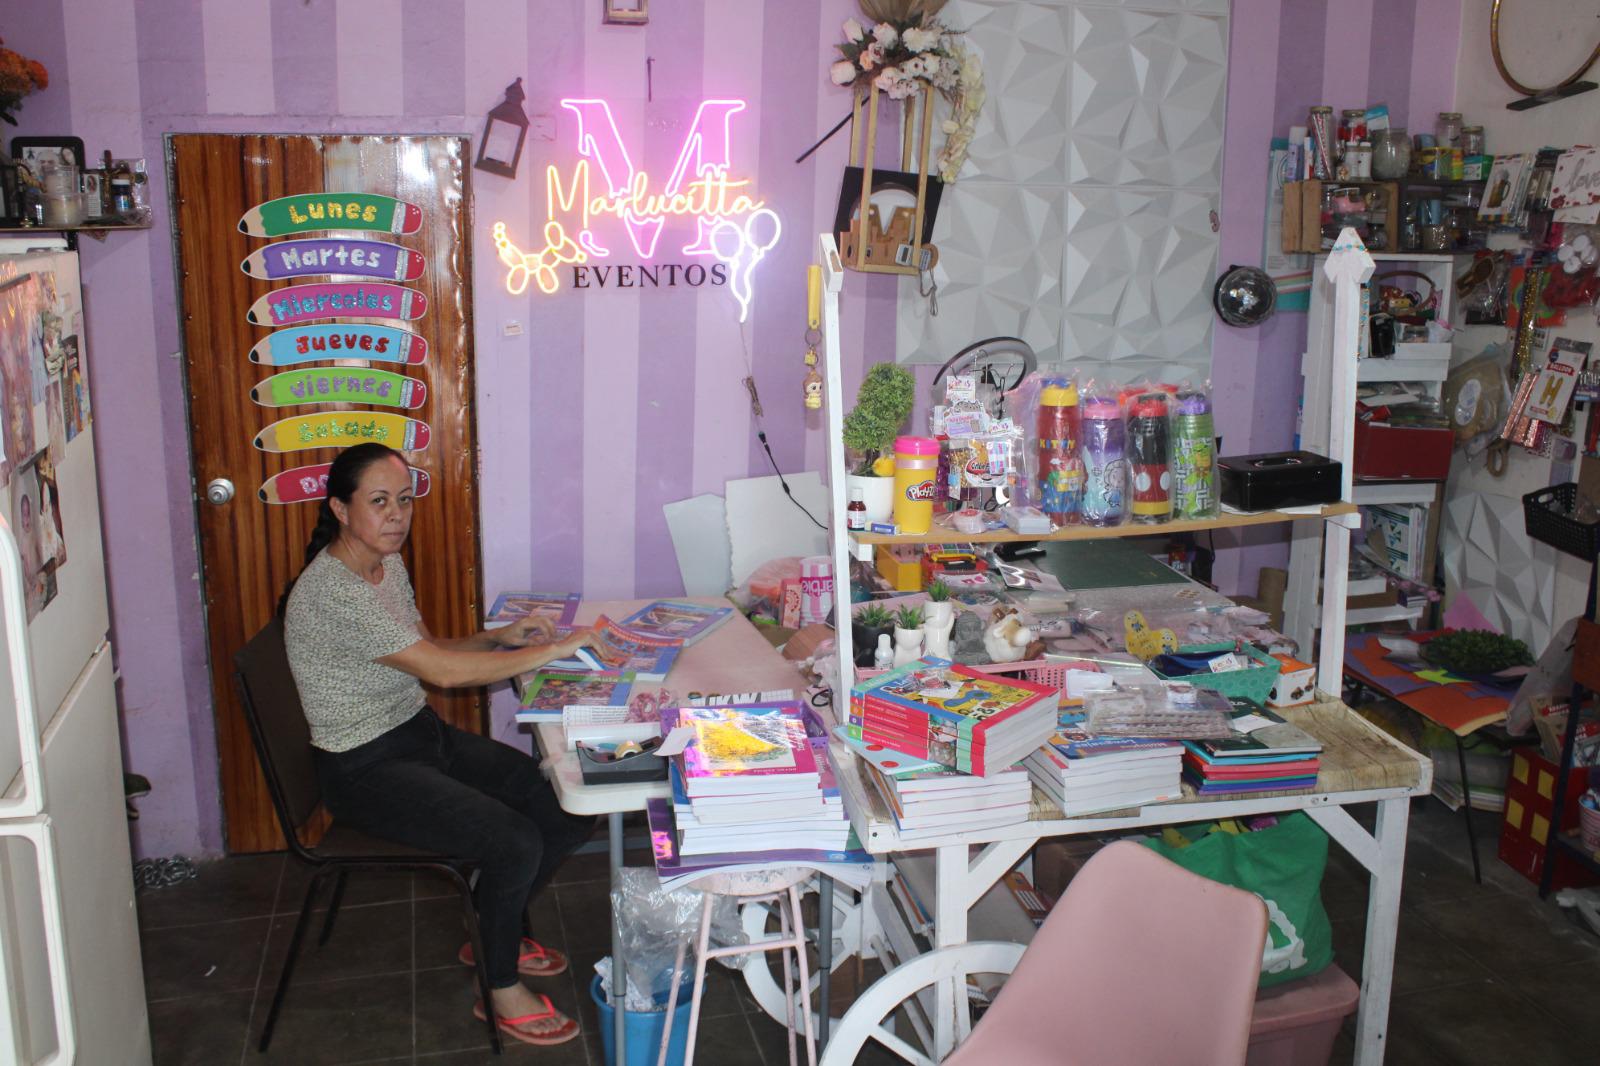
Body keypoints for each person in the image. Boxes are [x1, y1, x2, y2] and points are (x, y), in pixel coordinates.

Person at [282, 442, 596, 1047]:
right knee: (512, 839)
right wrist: (554, 649)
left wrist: (498, 639)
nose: (396, 515)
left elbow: (430, 650)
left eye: (403, 500)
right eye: (378, 502)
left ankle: (489, 925)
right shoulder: (333, 590)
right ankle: (499, 983)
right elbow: (444, 676)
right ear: (341, 510)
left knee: (560, 799)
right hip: (363, 767)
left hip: (415, 735)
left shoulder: (384, 565)